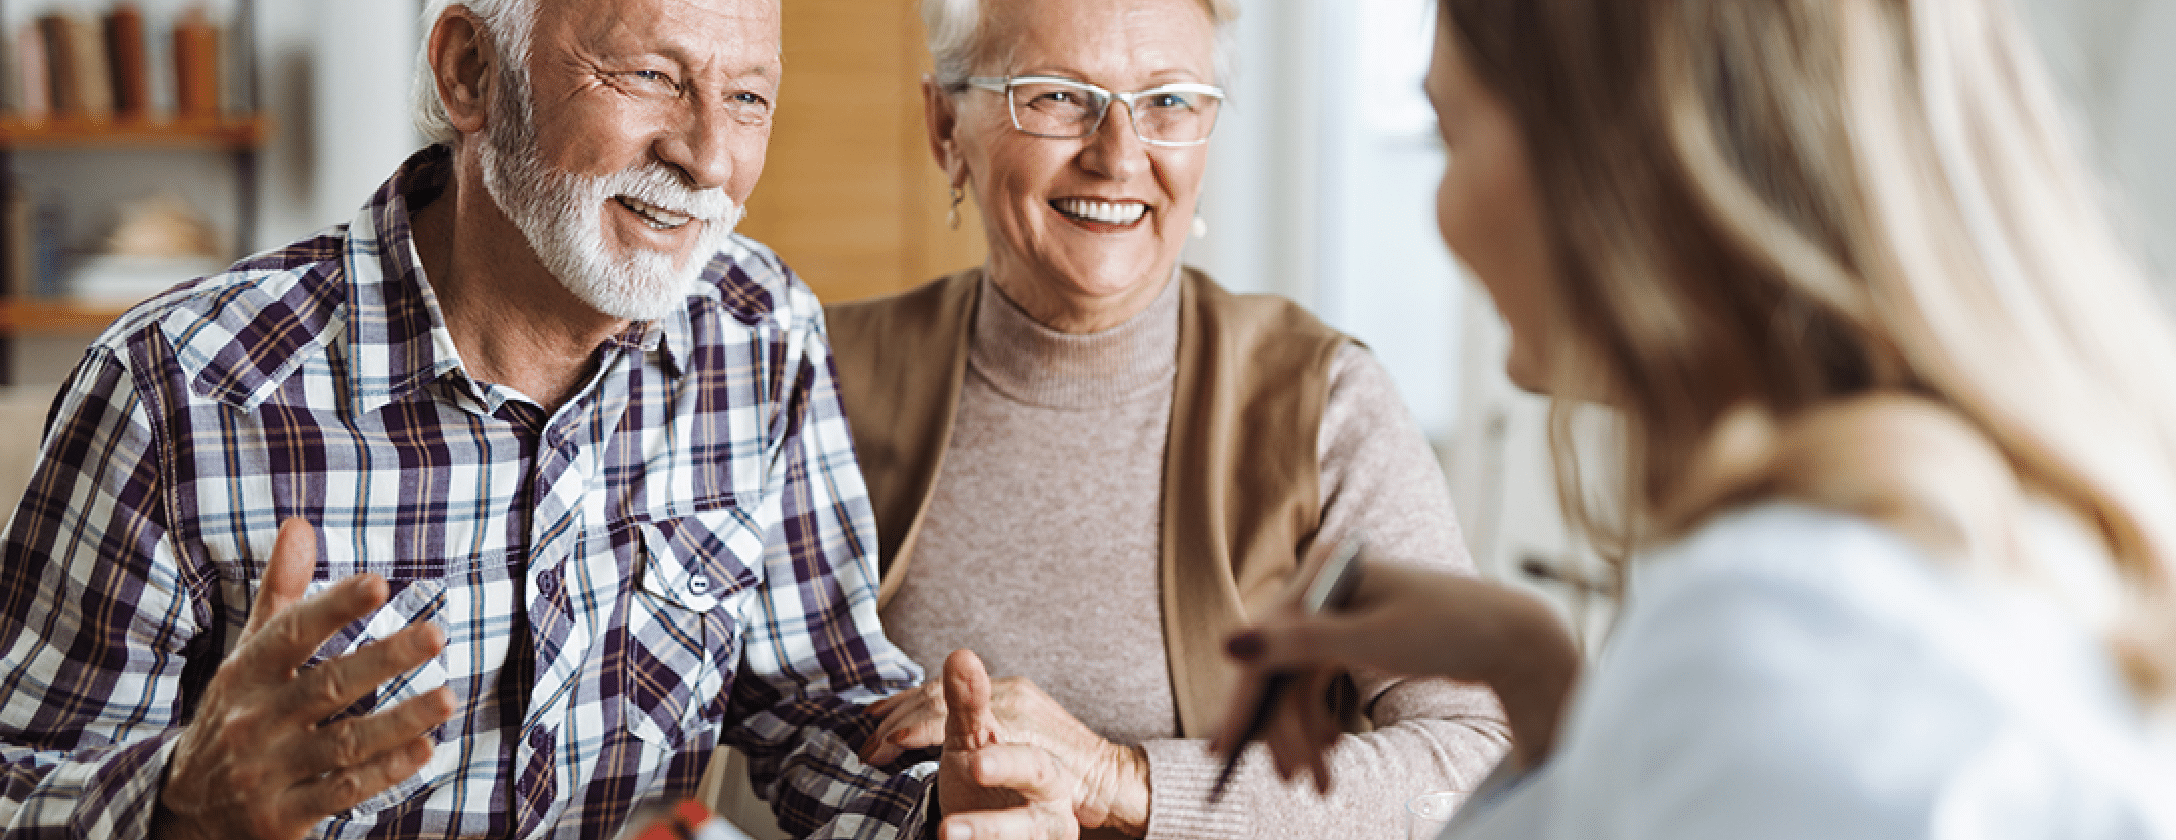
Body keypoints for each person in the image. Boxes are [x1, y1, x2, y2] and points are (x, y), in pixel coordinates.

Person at [0, 0, 963, 837]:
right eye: (649, 75)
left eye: (749, 96)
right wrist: (179, 805)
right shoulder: (178, 388)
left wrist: (943, 803)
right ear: (473, 73)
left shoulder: (760, 332)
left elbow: (816, 703)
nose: (710, 157)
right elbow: (17, 786)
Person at [1219, 0, 2176, 836]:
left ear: (1614, 159)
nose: (1444, 215)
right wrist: (1544, 685)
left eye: (1450, 134)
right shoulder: (1913, 570)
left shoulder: (1789, 643)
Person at [814, 0, 1511, 837]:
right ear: (943, 126)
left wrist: (1124, 781)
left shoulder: (1325, 402)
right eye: (1057, 95)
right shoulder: (817, 377)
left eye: (1170, 101)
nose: (1119, 156)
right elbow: (775, 736)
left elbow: (1479, 754)